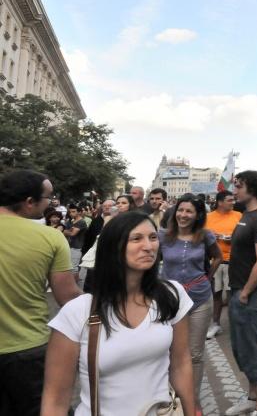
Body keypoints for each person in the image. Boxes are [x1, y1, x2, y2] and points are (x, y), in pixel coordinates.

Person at [41, 211, 196, 416]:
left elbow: (181, 363)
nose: (149, 246)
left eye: (152, 237)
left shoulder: (171, 295)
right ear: (113, 247)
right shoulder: (78, 312)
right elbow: (55, 399)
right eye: (136, 239)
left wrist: (190, 410)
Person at [0, 170, 81, 415]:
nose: (51, 203)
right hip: (28, 348)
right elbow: (67, 297)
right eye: (48, 197)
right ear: (29, 202)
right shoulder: (50, 237)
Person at [160, 194, 221, 414]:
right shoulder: (162, 236)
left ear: (197, 215)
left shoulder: (205, 236)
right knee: (167, 351)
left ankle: (192, 401)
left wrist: (207, 277)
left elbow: (218, 257)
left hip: (198, 298)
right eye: (181, 210)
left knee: (194, 354)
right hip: (169, 301)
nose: (183, 215)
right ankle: (169, 397)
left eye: (189, 211)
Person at [225, 171, 257, 416]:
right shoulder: (247, 214)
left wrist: (245, 292)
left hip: (253, 294)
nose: (234, 191)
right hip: (239, 291)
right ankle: (252, 397)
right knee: (242, 348)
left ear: (252, 189)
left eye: (239, 186)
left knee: (256, 348)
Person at [205, 191, 243, 339]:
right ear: (220, 202)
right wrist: (209, 236)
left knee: (232, 295)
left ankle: (236, 324)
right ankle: (215, 323)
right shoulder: (208, 217)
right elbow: (200, 235)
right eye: (229, 200)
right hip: (214, 261)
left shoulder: (238, 216)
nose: (233, 202)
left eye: (233, 200)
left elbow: (245, 235)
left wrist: (233, 238)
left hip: (233, 261)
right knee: (216, 294)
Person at [63, 204, 88, 280]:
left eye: (73, 211)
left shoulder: (81, 222)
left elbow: (72, 234)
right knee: (71, 266)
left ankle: (74, 286)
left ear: (79, 212)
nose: (71, 213)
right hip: (70, 245)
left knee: (74, 267)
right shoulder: (71, 221)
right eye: (70, 212)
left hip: (78, 247)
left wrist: (64, 231)